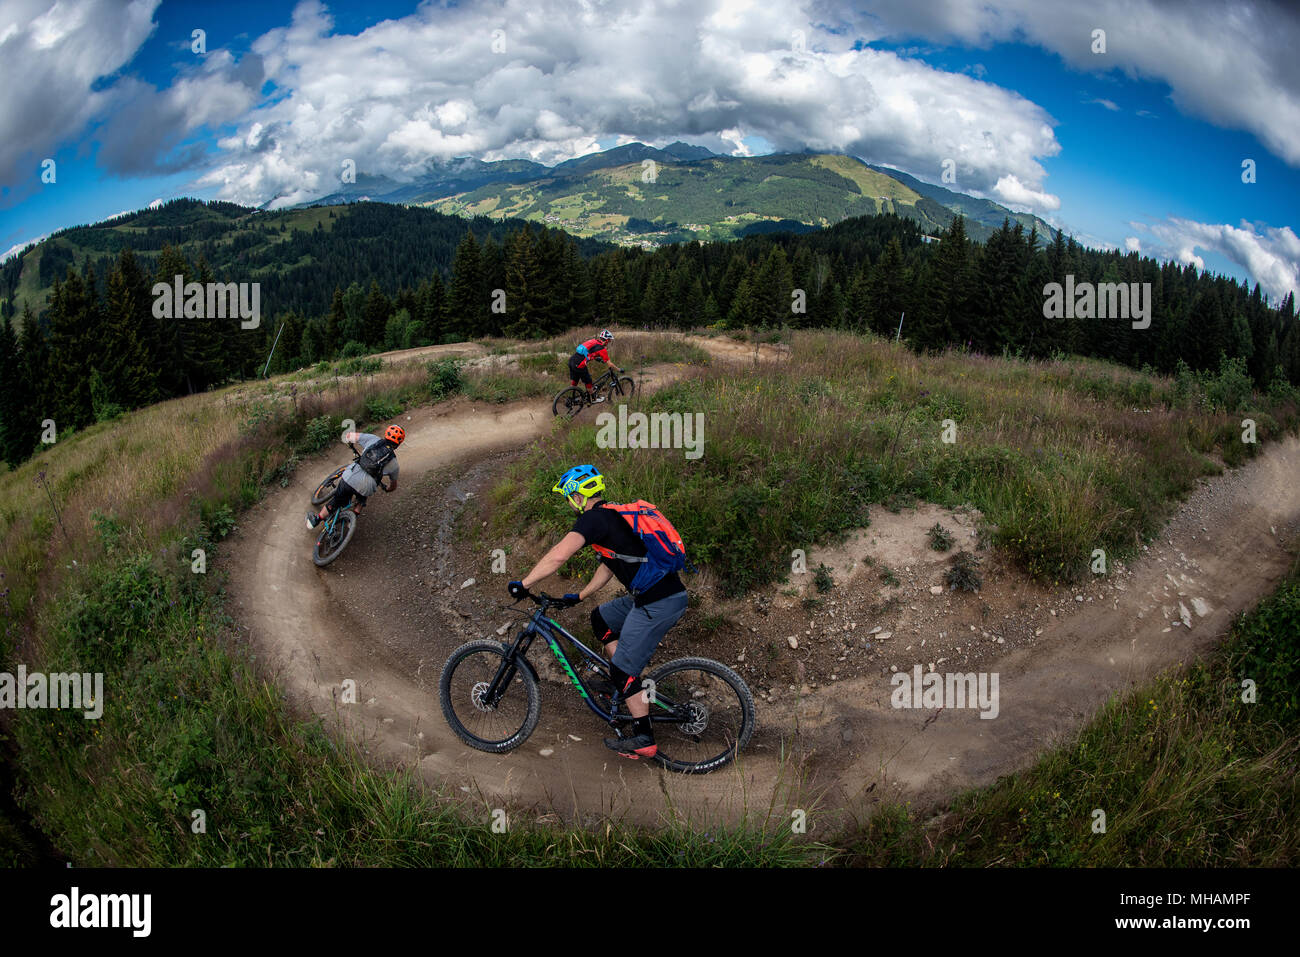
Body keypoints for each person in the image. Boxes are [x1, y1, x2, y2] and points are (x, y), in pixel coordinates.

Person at [508, 464, 688, 759]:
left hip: (659, 601)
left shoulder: (592, 520)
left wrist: (523, 583)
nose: (568, 504)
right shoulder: (612, 516)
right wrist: (578, 596)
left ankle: (643, 736)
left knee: (622, 671)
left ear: (577, 497)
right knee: (601, 618)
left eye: (568, 497)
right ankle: (623, 687)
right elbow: (609, 564)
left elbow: (558, 556)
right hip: (655, 595)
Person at [306, 425, 403, 528]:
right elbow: (393, 486)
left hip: (351, 476)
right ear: (398, 444)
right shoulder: (394, 464)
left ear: (386, 434)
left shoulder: (373, 439)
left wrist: (349, 442)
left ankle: (315, 520)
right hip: (367, 486)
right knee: (362, 498)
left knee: (336, 500)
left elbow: (350, 436)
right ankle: (351, 521)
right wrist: (387, 489)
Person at [568, 329, 624, 401]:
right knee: (589, 381)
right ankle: (594, 399)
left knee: (575, 380)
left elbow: (588, 351)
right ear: (606, 340)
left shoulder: (593, 341)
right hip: (579, 364)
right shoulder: (602, 349)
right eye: (609, 340)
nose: (609, 342)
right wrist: (619, 369)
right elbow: (610, 364)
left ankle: (571, 397)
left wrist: (596, 358)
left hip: (572, 361)